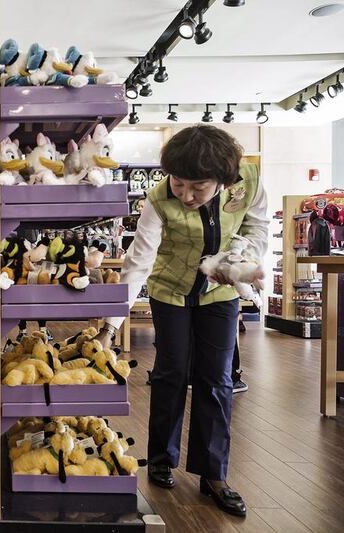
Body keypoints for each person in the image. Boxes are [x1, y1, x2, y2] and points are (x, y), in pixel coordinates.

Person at [93, 125, 267, 517]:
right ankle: (160, 457)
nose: (186, 195)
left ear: (222, 180)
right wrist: (109, 328)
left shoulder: (249, 184)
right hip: (169, 291)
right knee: (170, 372)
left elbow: (257, 229)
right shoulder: (158, 199)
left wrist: (238, 257)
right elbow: (139, 262)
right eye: (179, 183)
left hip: (220, 294)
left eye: (198, 188)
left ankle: (214, 474)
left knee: (217, 378)